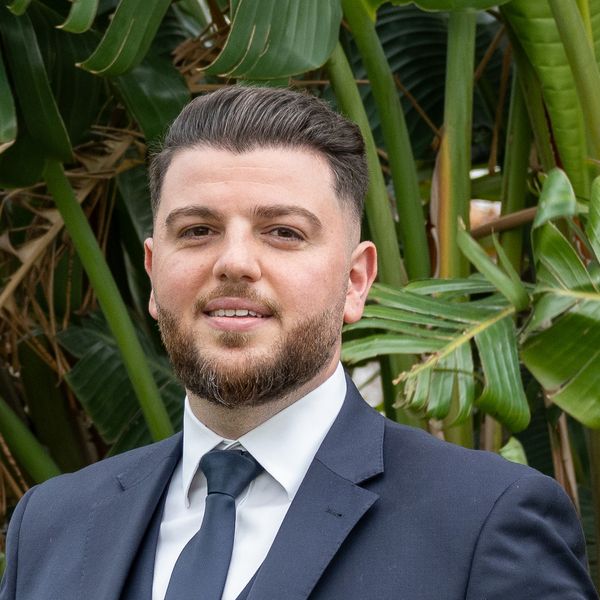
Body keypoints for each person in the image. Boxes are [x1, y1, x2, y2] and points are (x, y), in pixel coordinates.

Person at [0, 86, 597, 600]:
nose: (235, 262)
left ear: (355, 282)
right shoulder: (51, 525)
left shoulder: (484, 522)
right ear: (154, 273)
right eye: (198, 230)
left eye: (283, 232)